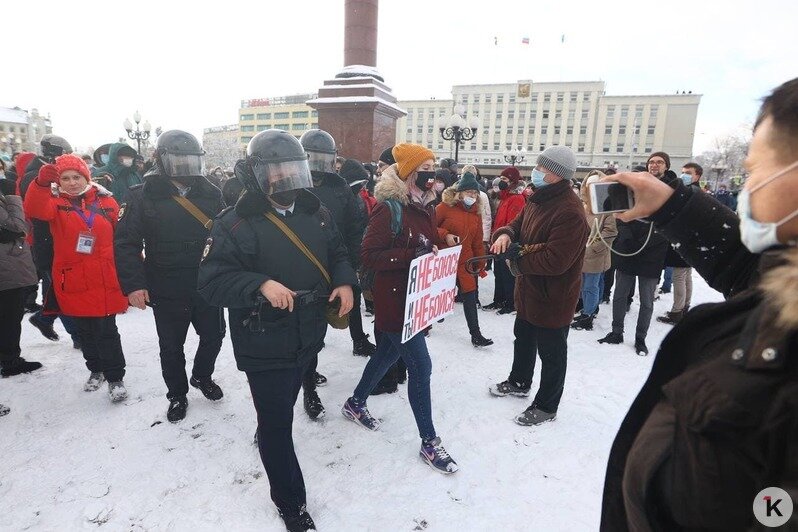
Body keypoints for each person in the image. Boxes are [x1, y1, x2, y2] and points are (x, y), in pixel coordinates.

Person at [601, 77, 798, 531]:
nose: (747, 187)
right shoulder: (781, 295)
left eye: (754, 170)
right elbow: (748, 268)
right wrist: (670, 207)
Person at [197, 129, 355, 531]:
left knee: (281, 404)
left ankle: (269, 423)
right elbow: (212, 282)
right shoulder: (233, 223)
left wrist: (344, 280)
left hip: (308, 330)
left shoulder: (315, 211)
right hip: (263, 339)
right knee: (276, 425)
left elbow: (338, 251)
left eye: (293, 170)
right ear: (256, 174)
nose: (286, 179)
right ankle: (291, 504)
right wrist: (258, 284)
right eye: (277, 172)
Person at [342, 142, 458, 475]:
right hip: (394, 300)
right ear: (409, 173)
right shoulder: (388, 207)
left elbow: (424, 236)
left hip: (416, 298)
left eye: (434, 167)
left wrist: (442, 237)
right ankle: (429, 442)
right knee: (420, 366)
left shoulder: (427, 205)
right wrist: (412, 256)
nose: (432, 174)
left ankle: (355, 403)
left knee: (386, 356)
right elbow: (369, 255)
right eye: (426, 168)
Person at [114, 130, 226, 422]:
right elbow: (126, 243)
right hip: (165, 284)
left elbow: (225, 235)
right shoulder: (142, 194)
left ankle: (202, 376)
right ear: (162, 161)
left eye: (191, 160)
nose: (186, 167)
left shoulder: (211, 191)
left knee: (214, 335)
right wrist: (134, 285)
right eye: (179, 161)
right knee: (171, 346)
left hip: (205, 282)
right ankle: (177, 394)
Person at [489, 146, 589, 426]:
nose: (536, 171)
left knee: (552, 353)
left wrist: (518, 264)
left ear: (557, 175)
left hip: (553, 296)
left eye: (542, 168)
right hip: (529, 291)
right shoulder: (537, 198)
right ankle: (519, 381)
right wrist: (506, 235)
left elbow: (556, 260)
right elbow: (516, 225)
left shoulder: (570, 211)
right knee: (523, 338)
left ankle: (547, 406)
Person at [23, 154, 129, 402]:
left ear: (86, 177)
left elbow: (124, 238)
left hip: (105, 278)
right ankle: (96, 369)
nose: (72, 182)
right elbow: (33, 208)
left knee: (106, 331)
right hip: (73, 280)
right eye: (65, 178)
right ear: (59, 181)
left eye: (77, 177)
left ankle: (115, 378)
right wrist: (39, 185)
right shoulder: (54, 203)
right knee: (85, 333)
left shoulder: (107, 202)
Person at [299, 130, 373, 419]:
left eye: (323, 159)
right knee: (306, 334)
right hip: (300, 270)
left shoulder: (340, 187)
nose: (318, 165)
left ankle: (309, 376)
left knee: (319, 331)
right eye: (312, 158)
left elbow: (354, 229)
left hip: (333, 268)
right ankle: (308, 386)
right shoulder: (292, 184)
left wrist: (350, 266)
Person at [598, 152, 670, 355]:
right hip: (627, 248)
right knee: (620, 294)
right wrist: (627, 234)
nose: (654, 165)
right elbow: (618, 212)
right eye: (652, 161)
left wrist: (650, 241)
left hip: (653, 251)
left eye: (659, 162)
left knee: (646, 300)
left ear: (666, 166)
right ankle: (616, 331)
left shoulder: (670, 190)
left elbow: (669, 223)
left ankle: (640, 338)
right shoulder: (634, 184)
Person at [19, 137, 81, 344]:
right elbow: (36, 209)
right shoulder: (33, 176)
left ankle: (44, 318)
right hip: (47, 240)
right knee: (62, 287)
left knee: (56, 287)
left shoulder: (52, 173)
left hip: (61, 237)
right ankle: (77, 334)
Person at [436, 171, 493, 346]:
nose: (472, 195)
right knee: (439, 294)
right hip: (445, 260)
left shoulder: (475, 214)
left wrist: (480, 263)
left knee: (470, 296)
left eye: (475, 193)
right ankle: (426, 325)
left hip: (466, 262)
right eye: (469, 191)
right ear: (459, 192)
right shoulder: (444, 207)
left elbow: (477, 242)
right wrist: (445, 235)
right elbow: (429, 228)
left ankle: (475, 334)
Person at [0, 179, 42, 377]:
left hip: (9, 265)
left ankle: (9, 358)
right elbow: (18, 226)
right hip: (6, 268)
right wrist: (12, 196)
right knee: (9, 317)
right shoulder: (6, 195)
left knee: (10, 316)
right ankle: (10, 361)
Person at [656, 163, 703, 325]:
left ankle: (677, 312)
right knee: (686, 276)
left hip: (683, 242)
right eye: (682, 173)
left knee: (679, 277)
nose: (684, 176)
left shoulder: (694, 193)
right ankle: (685, 306)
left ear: (697, 176)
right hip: (688, 242)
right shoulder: (694, 192)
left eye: (688, 173)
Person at [572, 171, 617, 331]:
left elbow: (610, 231)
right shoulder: (582, 206)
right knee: (582, 284)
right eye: (589, 185)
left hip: (595, 254)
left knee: (591, 285)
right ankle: (586, 307)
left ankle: (588, 315)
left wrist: (592, 246)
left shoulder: (607, 206)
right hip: (580, 252)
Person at [484, 166, 526, 313]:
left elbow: (513, 222)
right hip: (498, 240)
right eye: (501, 178)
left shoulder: (517, 198)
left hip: (507, 241)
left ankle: (510, 303)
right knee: (499, 272)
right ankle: (499, 300)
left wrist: (505, 237)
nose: (501, 181)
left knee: (507, 274)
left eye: (505, 179)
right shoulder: (505, 197)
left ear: (512, 181)